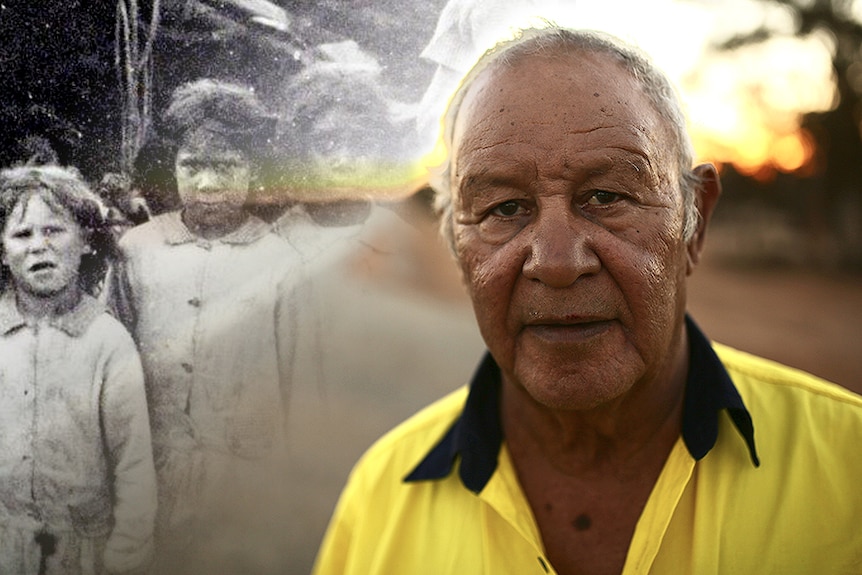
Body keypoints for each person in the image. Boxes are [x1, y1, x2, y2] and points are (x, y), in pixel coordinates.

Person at [312, 25, 862, 575]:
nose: (556, 263)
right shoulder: (379, 503)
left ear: (695, 225)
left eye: (606, 196)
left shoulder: (848, 467)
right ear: (458, 247)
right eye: (504, 208)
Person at [108, 79, 300, 572]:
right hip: (152, 469)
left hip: (246, 474)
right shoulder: (137, 252)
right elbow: (114, 358)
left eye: (226, 165)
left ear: (253, 167)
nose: (208, 183)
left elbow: (295, 379)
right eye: (192, 166)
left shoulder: (281, 259)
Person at [0, 165, 156, 574]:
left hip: (82, 551)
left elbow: (133, 465)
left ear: (87, 239)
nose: (38, 246)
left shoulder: (107, 342)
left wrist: (125, 554)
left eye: (54, 231)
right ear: (2, 249)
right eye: (22, 234)